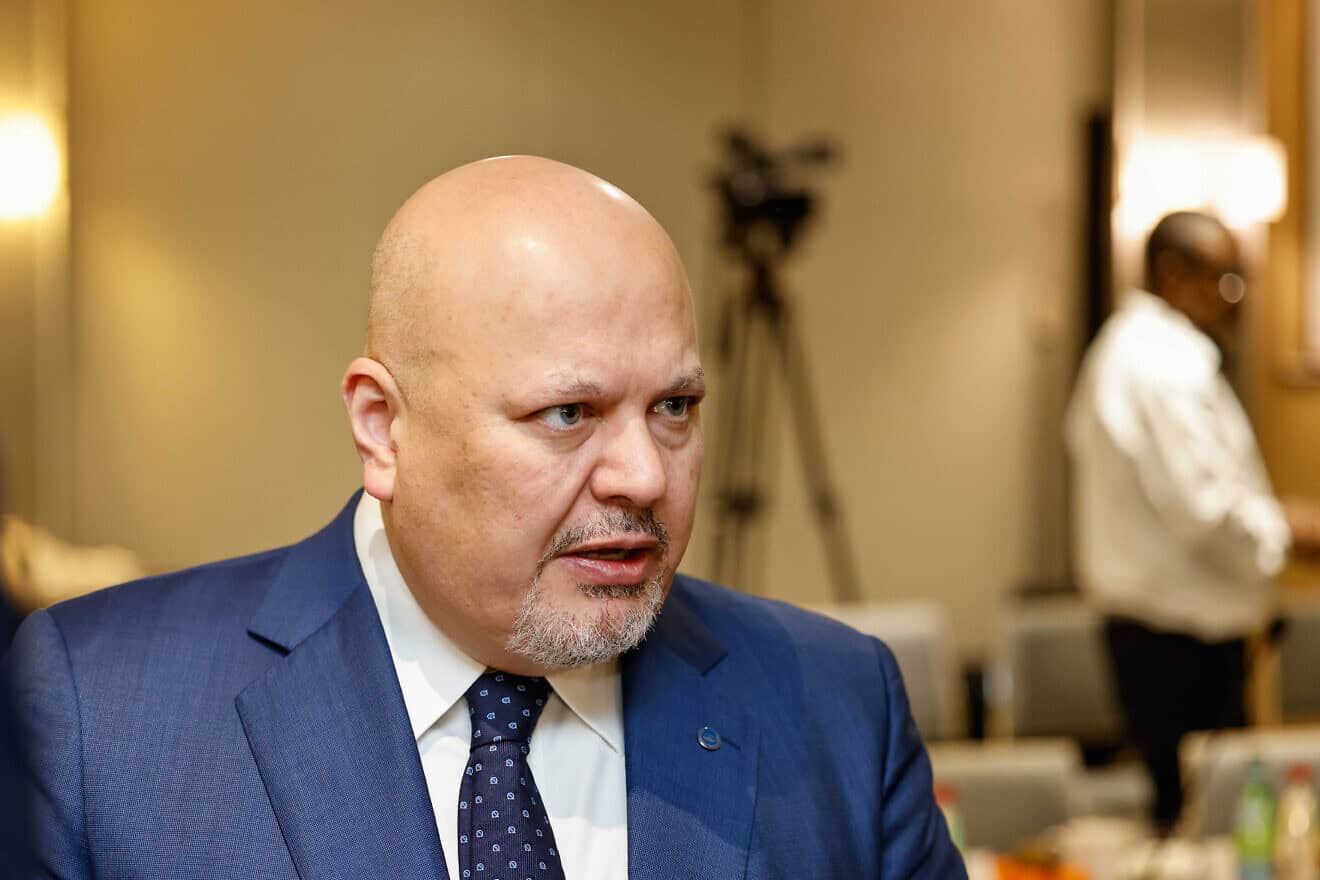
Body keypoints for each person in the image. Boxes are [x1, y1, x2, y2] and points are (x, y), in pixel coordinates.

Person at [6, 157, 963, 878]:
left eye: (674, 406)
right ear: (382, 428)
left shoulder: (840, 707)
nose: (643, 475)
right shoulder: (100, 715)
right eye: (568, 413)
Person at [1066, 210, 1320, 831]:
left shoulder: (1137, 352)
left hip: (1171, 630)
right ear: (1172, 274)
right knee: (1203, 828)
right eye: (1226, 279)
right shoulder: (1158, 365)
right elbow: (1206, 509)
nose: (1238, 298)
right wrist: (1290, 531)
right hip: (1175, 643)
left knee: (1208, 818)